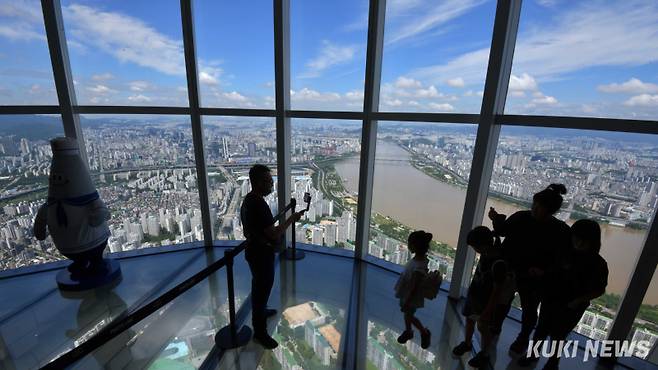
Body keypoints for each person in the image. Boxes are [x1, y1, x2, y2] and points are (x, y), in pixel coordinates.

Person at [488, 183, 571, 355]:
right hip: (514, 272)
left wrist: (545, 272)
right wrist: (495, 218)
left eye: (538, 207)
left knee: (529, 310)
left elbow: (564, 260)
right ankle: (498, 327)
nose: (534, 209)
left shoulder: (559, 230)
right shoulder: (556, 228)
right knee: (505, 301)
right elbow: (502, 231)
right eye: (534, 205)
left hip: (533, 277)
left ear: (550, 211)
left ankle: (523, 337)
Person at [518, 219, 608, 369]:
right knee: (541, 330)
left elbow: (599, 290)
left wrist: (578, 300)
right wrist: (542, 275)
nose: (578, 242)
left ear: (592, 241)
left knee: (558, 336)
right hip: (551, 299)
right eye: (576, 238)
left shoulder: (598, 264)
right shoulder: (565, 253)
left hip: (572, 306)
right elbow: (554, 273)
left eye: (583, 240)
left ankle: (552, 362)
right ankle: (533, 355)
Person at [241, 164, 305, 349]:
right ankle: (260, 333)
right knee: (262, 289)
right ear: (258, 182)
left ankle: (260, 312)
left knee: (259, 287)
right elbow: (274, 233)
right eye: (268, 181)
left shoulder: (248, 200)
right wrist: (291, 220)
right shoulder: (259, 204)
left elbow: (250, 229)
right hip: (261, 255)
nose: (271, 184)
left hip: (253, 251)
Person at [453, 226, 515, 368]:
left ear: (483, 245)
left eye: (475, 247)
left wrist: (487, 311)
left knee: (483, 327)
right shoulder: (487, 253)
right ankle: (467, 344)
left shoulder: (498, 263)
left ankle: (485, 353)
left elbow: (497, 291)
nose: (475, 250)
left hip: (486, 301)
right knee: (470, 319)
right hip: (476, 296)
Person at [394, 230, 433, 349]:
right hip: (408, 294)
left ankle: (423, 332)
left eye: (409, 243)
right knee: (407, 314)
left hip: (410, 296)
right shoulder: (418, 260)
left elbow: (414, 287)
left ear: (415, 246)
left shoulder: (419, 267)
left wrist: (407, 300)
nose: (408, 245)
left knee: (409, 315)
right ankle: (409, 331)